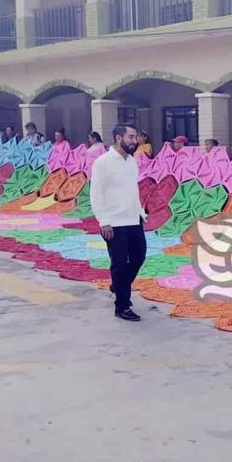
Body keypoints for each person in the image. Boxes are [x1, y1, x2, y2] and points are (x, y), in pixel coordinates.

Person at [90, 124, 147, 322]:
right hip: (114, 222)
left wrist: (141, 213)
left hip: (134, 218)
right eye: (131, 137)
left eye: (136, 137)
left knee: (139, 257)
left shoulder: (132, 161)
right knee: (120, 263)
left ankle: (119, 285)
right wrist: (104, 221)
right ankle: (122, 306)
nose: (135, 141)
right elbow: (96, 194)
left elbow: (132, 190)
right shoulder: (103, 163)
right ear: (118, 138)